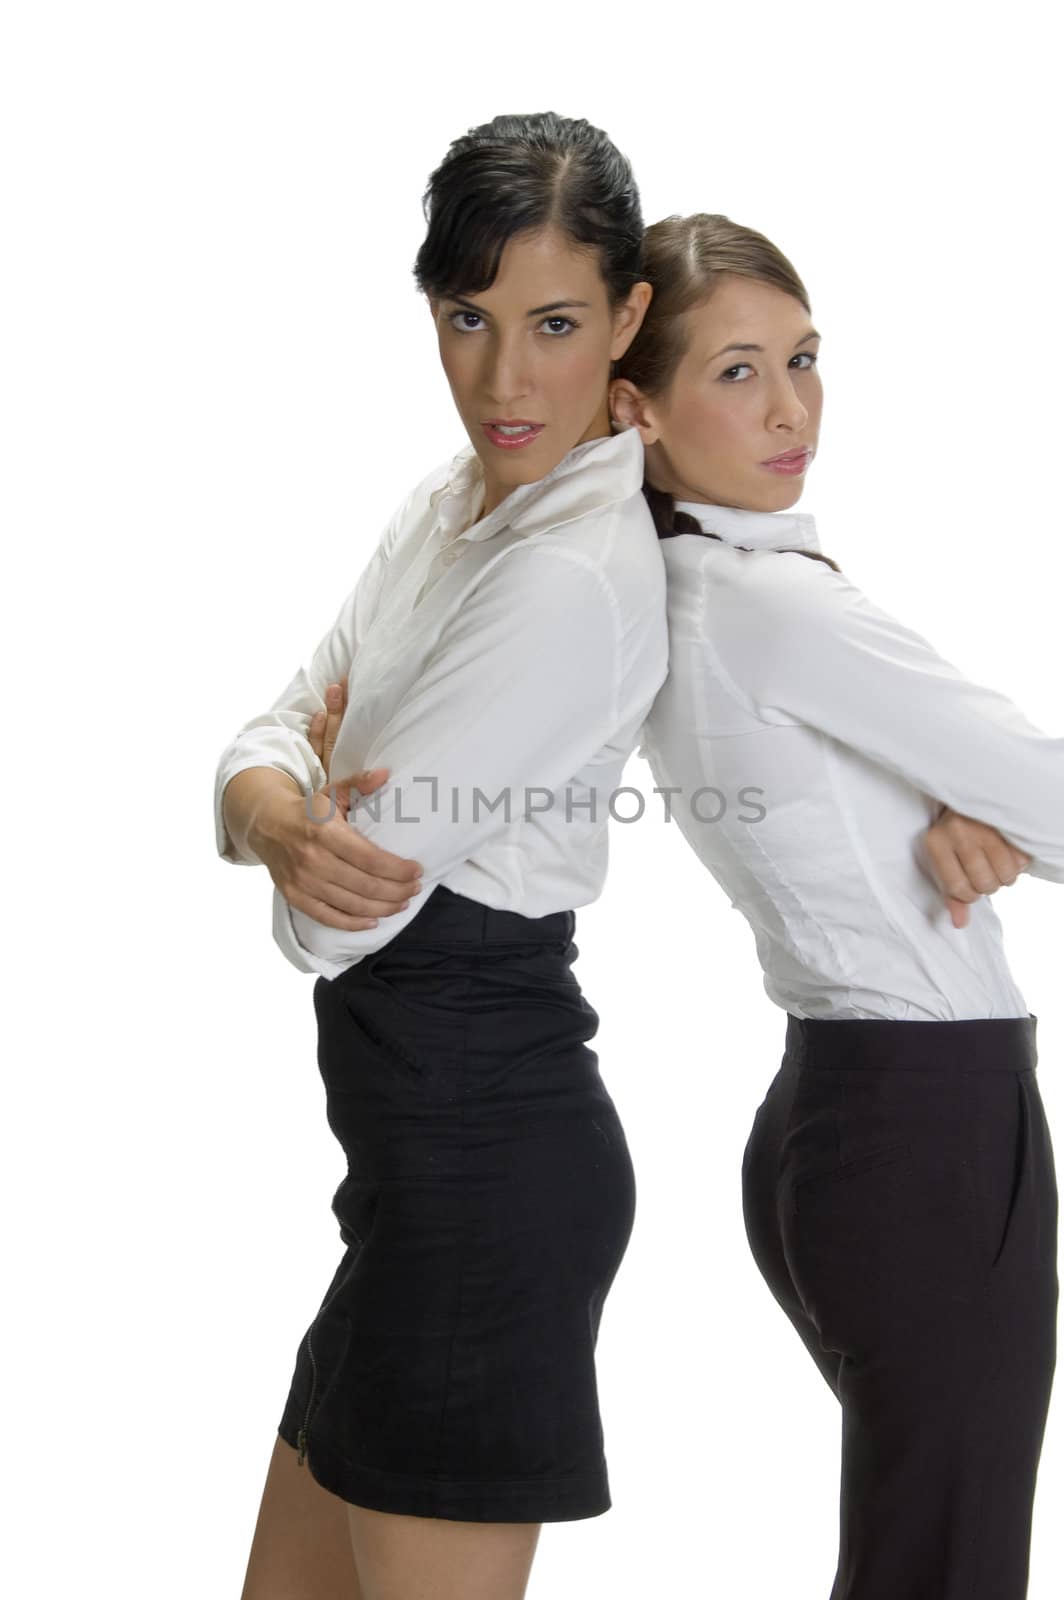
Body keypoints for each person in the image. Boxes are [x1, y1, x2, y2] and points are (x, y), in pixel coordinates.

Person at [214, 112, 666, 1600]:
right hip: (407, 1186)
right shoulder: (445, 505)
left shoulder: (573, 576)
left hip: (487, 1175)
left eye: (552, 324)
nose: (502, 377)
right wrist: (283, 812)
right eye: (466, 319)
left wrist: (294, 819)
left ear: (627, 320)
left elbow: (333, 928)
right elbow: (270, 734)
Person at [607, 211, 1062, 1598]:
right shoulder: (772, 607)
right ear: (637, 407)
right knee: (946, 1568)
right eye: (737, 371)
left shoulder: (679, 591)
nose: (793, 406)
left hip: (840, 1119)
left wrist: (988, 811)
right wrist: (1006, 808)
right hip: (930, 1122)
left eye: (805, 358)